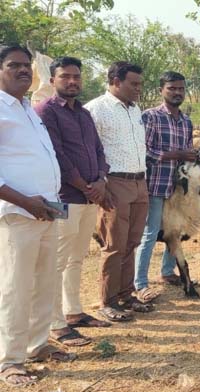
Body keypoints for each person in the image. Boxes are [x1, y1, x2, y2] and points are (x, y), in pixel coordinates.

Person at [0, 44, 74, 388]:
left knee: (44, 282)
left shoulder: (27, 108)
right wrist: (26, 202)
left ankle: (37, 345)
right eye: (14, 65)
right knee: (15, 287)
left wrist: (46, 201)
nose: (23, 70)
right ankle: (10, 359)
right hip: (17, 213)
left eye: (27, 66)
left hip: (47, 210)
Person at [34, 56, 112, 349]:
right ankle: (55, 324)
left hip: (89, 197)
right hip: (63, 197)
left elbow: (97, 149)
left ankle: (74, 312)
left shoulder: (83, 113)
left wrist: (101, 180)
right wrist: (85, 186)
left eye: (76, 77)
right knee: (56, 261)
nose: (72, 81)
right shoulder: (46, 111)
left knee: (77, 258)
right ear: (52, 80)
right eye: (65, 76)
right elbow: (56, 155)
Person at [85, 61, 150, 322]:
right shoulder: (95, 110)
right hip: (114, 183)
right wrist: (101, 182)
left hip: (139, 182)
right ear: (115, 81)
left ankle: (126, 294)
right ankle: (108, 301)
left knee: (132, 241)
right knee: (114, 245)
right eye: (133, 84)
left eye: (140, 84)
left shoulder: (135, 110)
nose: (138, 89)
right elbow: (91, 151)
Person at [134, 71, 200, 297]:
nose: (177, 93)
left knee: (175, 231)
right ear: (161, 90)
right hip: (154, 185)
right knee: (150, 233)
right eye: (172, 88)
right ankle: (140, 282)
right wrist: (177, 154)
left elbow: (187, 153)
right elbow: (145, 152)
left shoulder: (186, 121)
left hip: (178, 189)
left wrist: (195, 155)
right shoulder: (150, 117)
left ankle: (167, 271)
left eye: (181, 89)